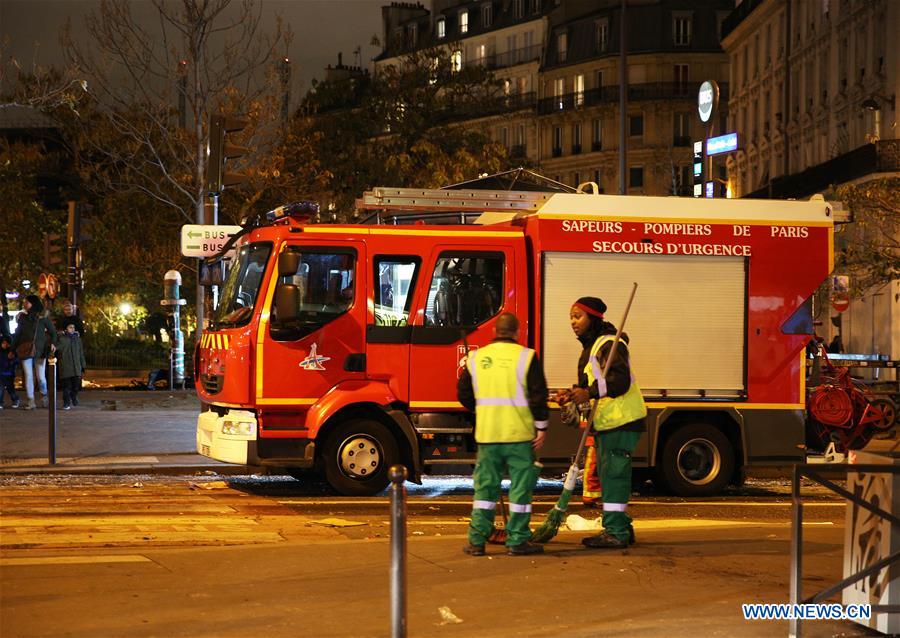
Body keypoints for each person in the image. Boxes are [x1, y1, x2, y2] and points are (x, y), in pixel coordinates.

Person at [557, 296, 647, 549]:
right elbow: (592, 384)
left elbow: (620, 381)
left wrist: (589, 392)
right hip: (609, 422)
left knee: (614, 477)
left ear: (593, 318)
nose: (573, 322)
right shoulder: (594, 346)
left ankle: (616, 532)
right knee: (610, 477)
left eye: (578, 316)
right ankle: (621, 527)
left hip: (621, 420)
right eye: (571, 317)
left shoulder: (609, 344)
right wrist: (572, 394)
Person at [457, 312, 549, 556]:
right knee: (521, 489)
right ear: (517, 333)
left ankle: (477, 541)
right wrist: (541, 427)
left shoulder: (476, 358)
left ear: (494, 332)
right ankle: (517, 540)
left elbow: (463, 394)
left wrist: (483, 410)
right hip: (519, 435)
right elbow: (539, 395)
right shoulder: (527, 357)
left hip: (488, 435)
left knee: (485, 489)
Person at [10, 295, 58, 410]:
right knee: (28, 375)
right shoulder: (23, 318)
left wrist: (53, 343)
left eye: (27, 302)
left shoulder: (43, 317)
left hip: (40, 351)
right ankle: (31, 401)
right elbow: (17, 335)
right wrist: (12, 350)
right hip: (25, 350)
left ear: (33, 304)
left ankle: (44, 395)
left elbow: (53, 332)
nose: (25, 304)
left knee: (41, 377)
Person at [56, 323, 86, 409]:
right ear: (66, 329)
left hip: (76, 367)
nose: (72, 329)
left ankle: (73, 396)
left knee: (76, 386)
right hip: (66, 367)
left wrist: (83, 364)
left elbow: (81, 353)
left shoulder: (78, 340)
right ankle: (66, 403)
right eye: (70, 327)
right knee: (66, 387)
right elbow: (56, 347)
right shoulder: (62, 339)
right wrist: (57, 337)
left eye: (73, 327)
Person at [0, 336, 20, 409]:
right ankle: (0, 402)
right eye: (3, 343)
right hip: (1, 373)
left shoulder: (12, 352)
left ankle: (15, 400)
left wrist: (12, 360)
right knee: (0, 389)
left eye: (6, 343)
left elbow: (17, 361)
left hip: (9, 373)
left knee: (10, 389)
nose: (4, 345)